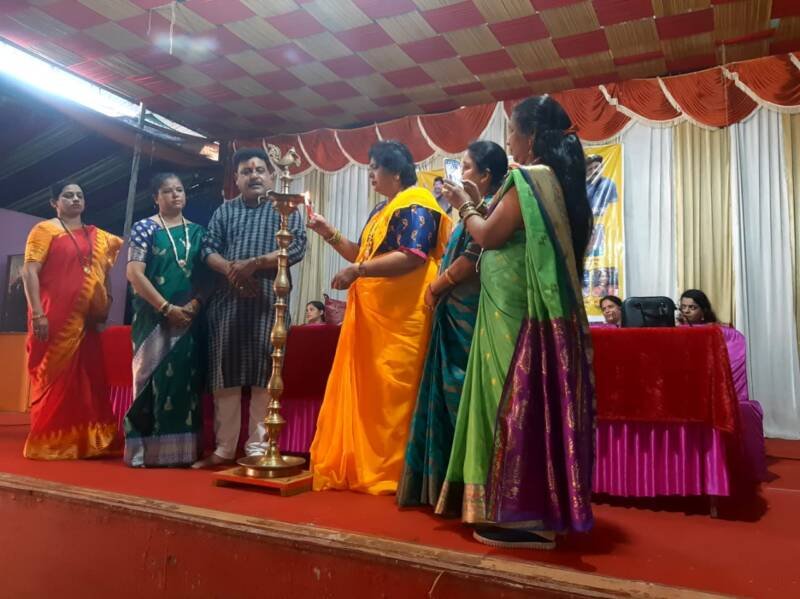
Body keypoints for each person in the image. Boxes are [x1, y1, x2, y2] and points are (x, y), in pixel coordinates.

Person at [438, 95, 595, 549]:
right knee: (522, 406)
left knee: (510, 406)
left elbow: (489, 235)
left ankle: (525, 517)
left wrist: (463, 205)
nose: (508, 141)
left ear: (531, 136)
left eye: (511, 131)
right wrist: (475, 203)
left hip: (512, 315)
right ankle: (524, 510)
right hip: (515, 308)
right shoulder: (553, 181)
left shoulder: (529, 178)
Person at [307, 140, 450, 494]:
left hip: (403, 318)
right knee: (372, 399)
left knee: (395, 396)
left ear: (396, 171)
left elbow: (413, 255)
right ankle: (366, 464)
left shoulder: (418, 202)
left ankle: (398, 471)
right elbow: (362, 254)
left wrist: (357, 271)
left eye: (374, 167)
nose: (370, 174)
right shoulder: (382, 210)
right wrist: (328, 232)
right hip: (374, 321)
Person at [397, 141, 508, 508]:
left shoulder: (490, 210)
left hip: (469, 318)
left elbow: (471, 259)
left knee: (461, 397)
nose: (460, 173)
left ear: (486, 175)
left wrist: (435, 286)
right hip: (453, 312)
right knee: (445, 399)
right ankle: (443, 487)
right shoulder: (472, 210)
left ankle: (471, 491)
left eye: (467, 167)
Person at [192, 148, 307, 469]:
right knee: (225, 378)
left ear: (271, 175)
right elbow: (207, 248)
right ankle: (224, 450)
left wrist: (254, 264)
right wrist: (232, 270)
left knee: (264, 376)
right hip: (227, 303)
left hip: (269, 302)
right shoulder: (225, 210)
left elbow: (297, 246)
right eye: (246, 171)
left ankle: (257, 449)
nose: (254, 175)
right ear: (236, 179)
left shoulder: (284, 208)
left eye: (259, 170)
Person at [20, 180, 122, 459]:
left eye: (79, 195)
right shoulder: (44, 230)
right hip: (53, 317)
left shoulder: (97, 236)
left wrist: (104, 304)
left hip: (87, 319)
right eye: (68, 196)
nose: (75, 199)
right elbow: (29, 272)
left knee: (88, 379)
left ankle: (88, 442)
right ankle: (50, 442)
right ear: (55, 203)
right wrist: (37, 313)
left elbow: (104, 274)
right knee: (55, 378)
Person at [124, 173, 208, 467]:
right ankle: (143, 452)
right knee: (149, 379)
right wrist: (165, 307)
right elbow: (134, 273)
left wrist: (195, 305)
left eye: (180, 190)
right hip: (152, 318)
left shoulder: (198, 232)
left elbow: (206, 277)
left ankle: (180, 453)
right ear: (155, 198)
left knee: (184, 380)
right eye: (168, 191)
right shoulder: (144, 228)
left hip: (188, 318)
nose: (175, 195)